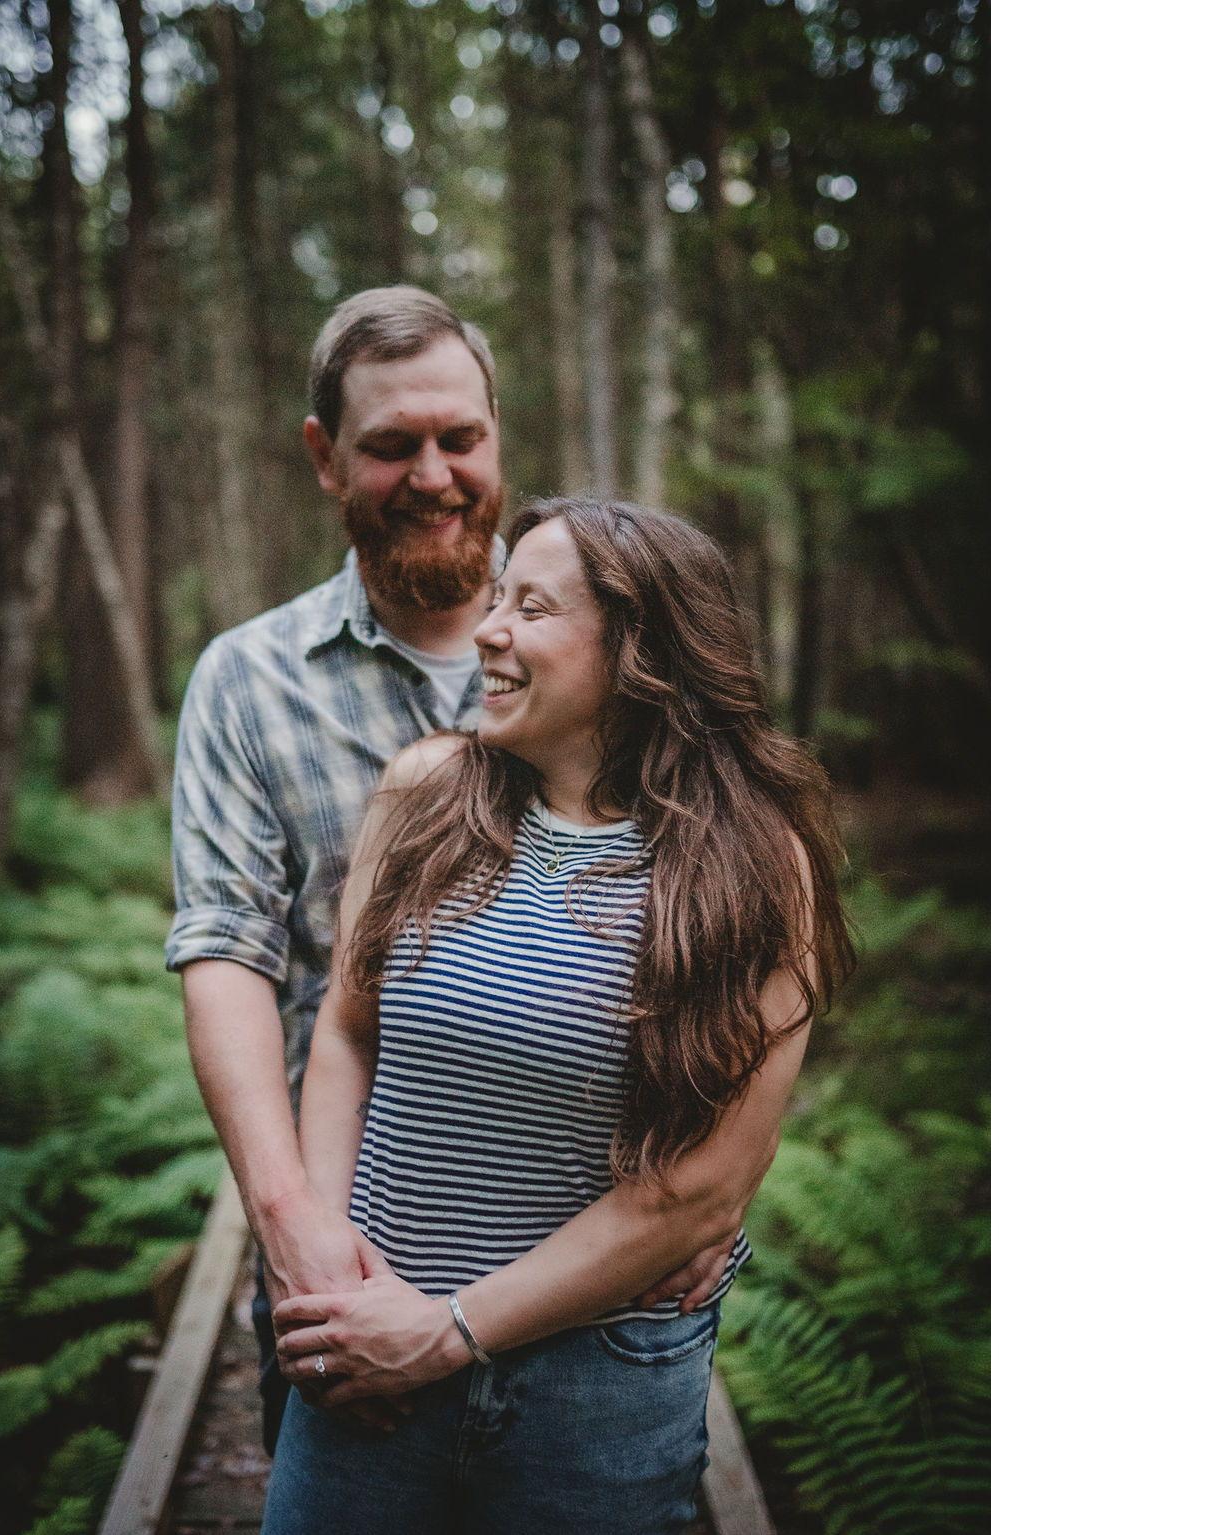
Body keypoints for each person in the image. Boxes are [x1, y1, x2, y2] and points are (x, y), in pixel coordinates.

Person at [166, 289, 739, 1452]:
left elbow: (715, 927)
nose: (433, 475)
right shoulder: (246, 680)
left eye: (458, 439)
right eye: (390, 447)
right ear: (324, 457)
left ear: (495, 433)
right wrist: (292, 1232)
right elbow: (225, 949)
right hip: (349, 1235)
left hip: (591, 1271)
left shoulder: (613, 652)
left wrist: (706, 1184)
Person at [261, 498, 856, 1534]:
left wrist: (444, 1330)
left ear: (642, 651)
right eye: (495, 600)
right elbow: (347, 1034)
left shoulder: (757, 867)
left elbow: (701, 1188)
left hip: (595, 1393)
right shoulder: (423, 794)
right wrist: (332, 1269)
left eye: (528, 607)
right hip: (368, 1365)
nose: (486, 629)